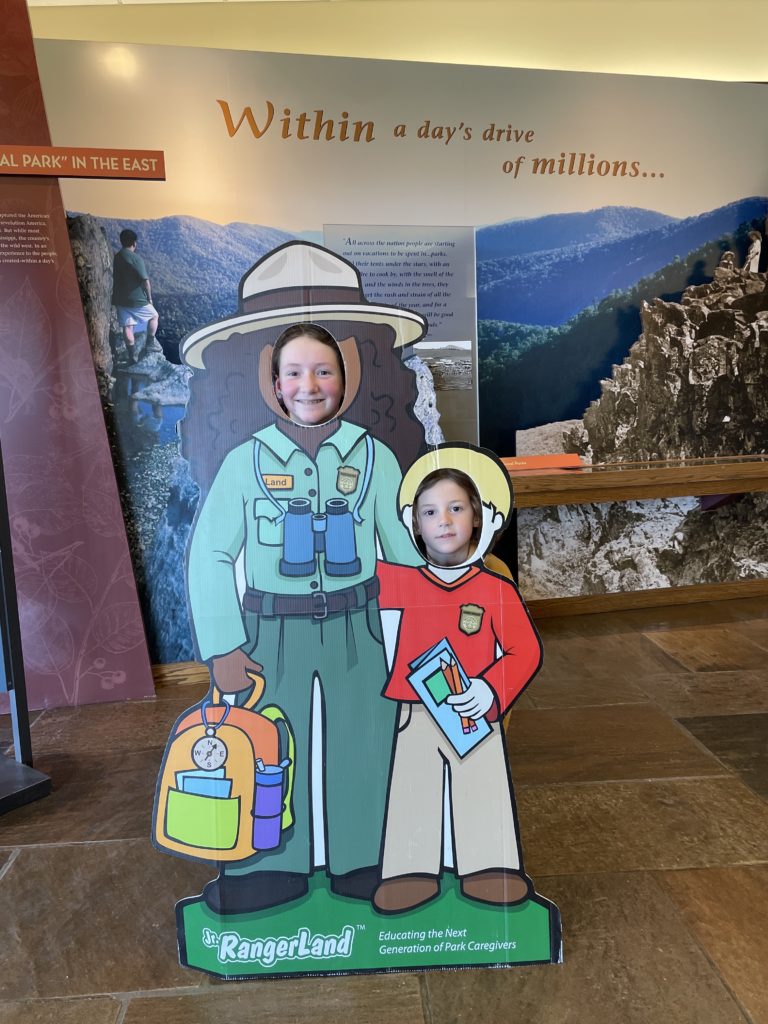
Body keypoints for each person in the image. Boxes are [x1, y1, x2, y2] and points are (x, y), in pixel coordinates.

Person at [181, 241, 427, 914]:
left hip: (357, 623)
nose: (309, 386)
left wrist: (424, 631)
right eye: (295, 373)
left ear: (344, 377)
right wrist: (226, 648)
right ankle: (269, 866)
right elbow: (208, 555)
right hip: (270, 631)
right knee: (269, 741)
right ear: (272, 382)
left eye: (322, 371)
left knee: (365, 736)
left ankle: (365, 859)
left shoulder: (373, 459)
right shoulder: (246, 462)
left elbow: (402, 550)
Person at [373, 446, 543, 914]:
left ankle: (491, 866)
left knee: (482, 781)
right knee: (412, 783)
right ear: (414, 525)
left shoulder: (495, 588)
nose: (443, 520)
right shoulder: (397, 581)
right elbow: (352, 583)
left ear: (478, 517)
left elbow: (523, 651)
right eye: (430, 512)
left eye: (455, 508)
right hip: (415, 708)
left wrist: (488, 690)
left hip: (473, 708)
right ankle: (409, 871)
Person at [112, 228, 159, 362]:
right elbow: (145, 281)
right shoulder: (135, 258)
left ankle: (132, 356)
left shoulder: (117, 257)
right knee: (154, 316)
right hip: (136, 298)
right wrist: (149, 298)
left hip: (120, 298)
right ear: (134, 243)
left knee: (127, 326)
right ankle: (150, 344)